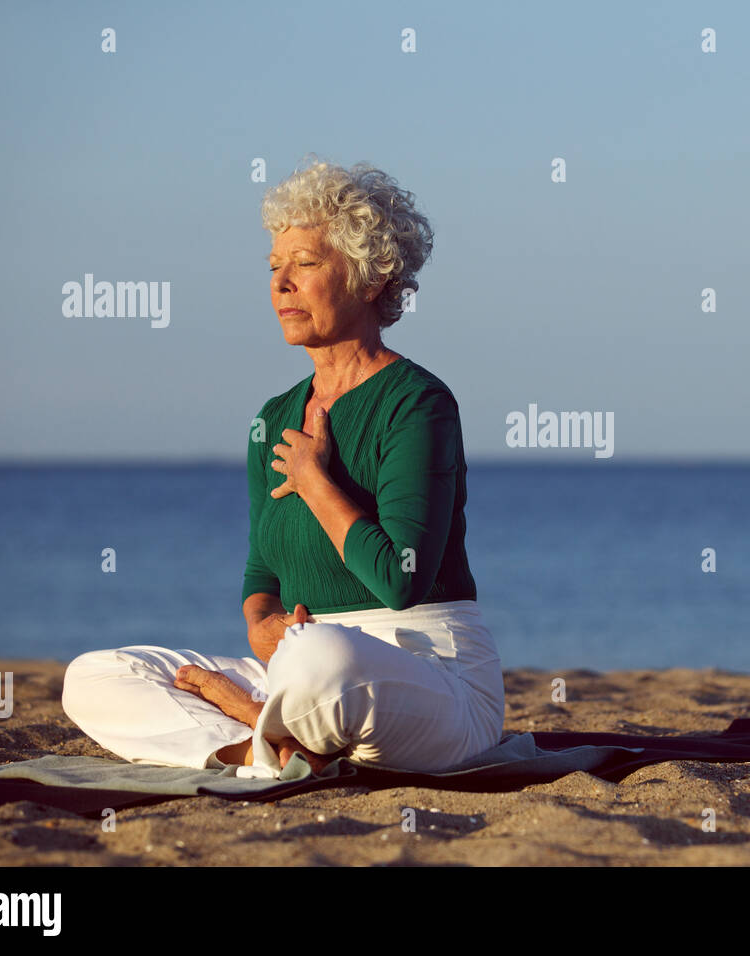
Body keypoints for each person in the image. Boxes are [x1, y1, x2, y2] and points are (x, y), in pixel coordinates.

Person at [61, 158, 505, 779]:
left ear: (372, 278)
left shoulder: (418, 403)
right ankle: (258, 746)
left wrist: (314, 478)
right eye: (274, 267)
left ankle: (252, 714)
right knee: (95, 675)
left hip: (429, 673)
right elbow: (261, 568)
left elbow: (401, 582)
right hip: (299, 663)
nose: (281, 284)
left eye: (306, 264)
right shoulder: (273, 417)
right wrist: (259, 628)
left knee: (320, 659)